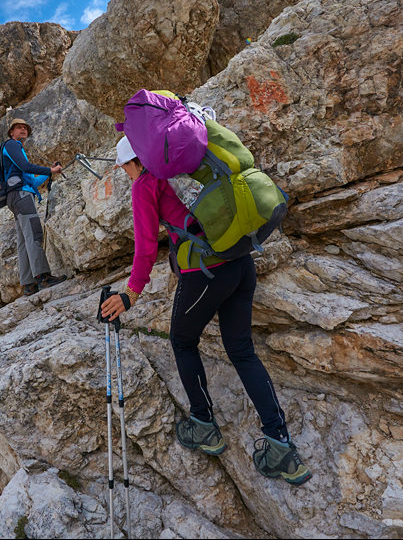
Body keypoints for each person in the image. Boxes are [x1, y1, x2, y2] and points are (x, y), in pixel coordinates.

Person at [100, 136, 312, 486]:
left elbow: (145, 247)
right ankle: (282, 447)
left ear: (133, 162)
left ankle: (203, 426)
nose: (124, 172)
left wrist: (130, 295)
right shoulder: (183, 169)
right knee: (242, 350)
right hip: (240, 262)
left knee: (182, 341)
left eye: (124, 166)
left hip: (207, 271)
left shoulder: (145, 184)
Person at [1, 118, 67, 296]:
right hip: (21, 196)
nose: (22, 130)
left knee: (24, 239)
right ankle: (43, 277)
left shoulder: (15, 151)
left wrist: (49, 172)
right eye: (18, 128)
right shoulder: (12, 145)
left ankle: (29, 284)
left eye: (25, 128)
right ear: (11, 132)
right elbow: (26, 166)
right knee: (34, 234)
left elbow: (32, 181)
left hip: (17, 195)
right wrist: (50, 171)